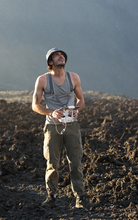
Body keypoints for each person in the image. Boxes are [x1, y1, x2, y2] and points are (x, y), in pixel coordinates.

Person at [32, 47, 85, 209]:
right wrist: (51, 113)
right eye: (57, 55)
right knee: (52, 162)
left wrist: (76, 110)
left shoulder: (74, 77)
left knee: (75, 161)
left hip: (72, 126)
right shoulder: (42, 80)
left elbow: (81, 100)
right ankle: (51, 196)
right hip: (52, 127)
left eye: (62, 55)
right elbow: (35, 105)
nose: (61, 57)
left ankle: (79, 196)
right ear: (50, 62)